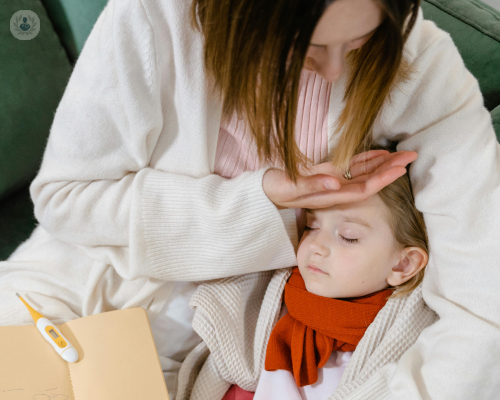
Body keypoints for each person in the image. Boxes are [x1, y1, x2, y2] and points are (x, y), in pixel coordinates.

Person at [0, 0, 498, 399]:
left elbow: (482, 292)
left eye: (362, 42)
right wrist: (263, 199)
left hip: (219, 335)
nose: (333, 70)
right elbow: (66, 198)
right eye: (308, 47)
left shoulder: (422, 60)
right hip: (74, 288)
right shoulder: (154, 17)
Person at [181, 151, 436, 400]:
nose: (316, 245)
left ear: (403, 264)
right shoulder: (269, 314)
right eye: (312, 227)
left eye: (348, 236)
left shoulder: (409, 346)